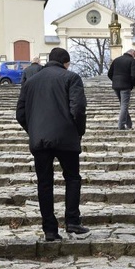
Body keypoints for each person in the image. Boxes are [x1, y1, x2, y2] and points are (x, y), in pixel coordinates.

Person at [16, 47, 88, 242]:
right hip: (66, 137)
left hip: (40, 140)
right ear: (66, 62)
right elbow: (78, 108)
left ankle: (50, 229)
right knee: (72, 178)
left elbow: (20, 113)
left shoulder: (30, 82)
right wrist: (78, 130)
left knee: (44, 183)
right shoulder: (71, 78)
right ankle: (72, 220)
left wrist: (33, 131)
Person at [107, 49, 135, 130]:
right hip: (126, 85)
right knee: (124, 105)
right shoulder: (132, 61)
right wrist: (132, 85)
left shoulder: (116, 60)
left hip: (116, 86)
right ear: (133, 53)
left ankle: (129, 124)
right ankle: (121, 125)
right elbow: (134, 75)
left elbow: (109, 73)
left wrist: (115, 81)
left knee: (123, 105)